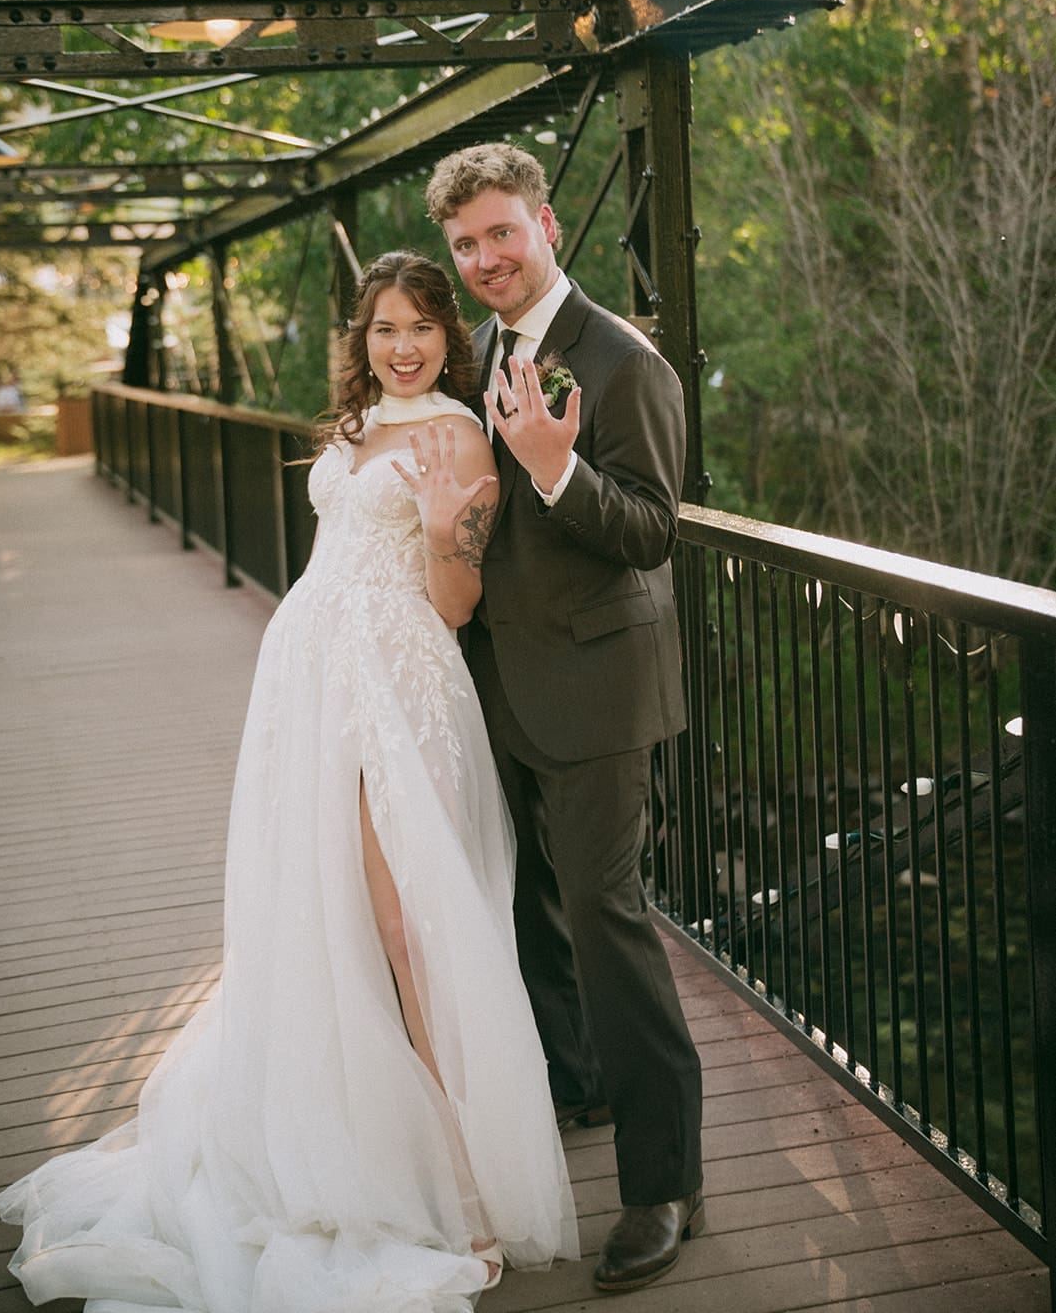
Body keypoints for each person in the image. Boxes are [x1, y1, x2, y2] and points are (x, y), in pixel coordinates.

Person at [0, 251, 577, 1313]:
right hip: (309, 675)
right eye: (382, 328)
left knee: (414, 930)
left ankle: (462, 1183)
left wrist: (450, 532)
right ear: (361, 338)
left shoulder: (456, 436)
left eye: (420, 328)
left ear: (449, 335)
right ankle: (351, 1130)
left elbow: (452, 603)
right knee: (325, 909)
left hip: (401, 685)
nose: (400, 346)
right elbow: (328, 560)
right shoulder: (352, 431)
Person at [426, 144, 703, 1295]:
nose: (486, 258)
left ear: (545, 222)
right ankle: (577, 1079)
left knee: (606, 916)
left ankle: (665, 1185)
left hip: (597, 688)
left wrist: (554, 470)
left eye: (501, 233)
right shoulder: (481, 349)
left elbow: (650, 529)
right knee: (527, 905)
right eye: (465, 246)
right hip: (505, 680)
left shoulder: (622, 359)